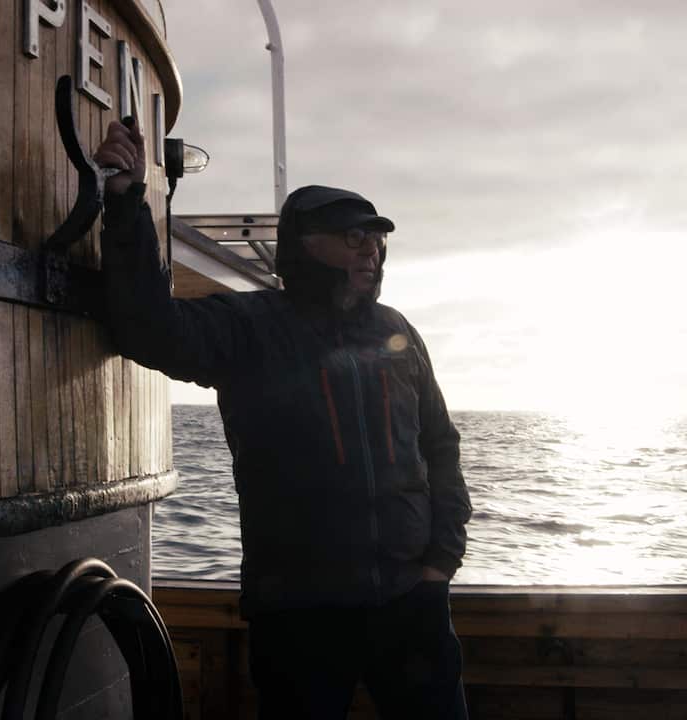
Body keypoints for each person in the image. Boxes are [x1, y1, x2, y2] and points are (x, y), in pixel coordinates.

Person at [95, 118, 472, 719]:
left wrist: (439, 564)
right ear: (304, 243)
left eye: (376, 239)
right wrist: (127, 204)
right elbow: (149, 329)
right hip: (299, 611)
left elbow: (440, 447)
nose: (370, 249)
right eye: (353, 237)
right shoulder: (250, 327)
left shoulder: (398, 331)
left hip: (410, 601)